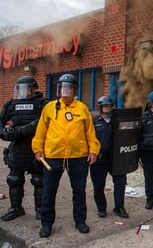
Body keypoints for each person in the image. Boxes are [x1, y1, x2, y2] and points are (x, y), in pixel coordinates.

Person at [32, 74, 101, 238]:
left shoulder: (82, 108)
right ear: (59, 89)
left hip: (78, 157)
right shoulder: (49, 108)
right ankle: (46, 224)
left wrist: (93, 150)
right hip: (53, 156)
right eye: (63, 87)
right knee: (48, 191)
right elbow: (41, 131)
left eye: (69, 87)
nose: (65, 90)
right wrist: (37, 148)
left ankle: (80, 221)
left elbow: (90, 132)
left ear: (74, 90)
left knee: (79, 191)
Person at [0, 76, 48, 221]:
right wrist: (4, 133)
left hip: (36, 147)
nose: (23, 91)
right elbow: (0, 121)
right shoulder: (11, 104)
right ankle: (16, 208)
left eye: (26, 88)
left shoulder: (43, 104)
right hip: (17, 148)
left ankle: (40, 210)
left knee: (39, 180)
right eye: (20, 89)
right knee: (14, 179)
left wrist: (23, 130)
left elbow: (47, 120)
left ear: (33, 89)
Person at [90, 96, 128, 219]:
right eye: (105, 106)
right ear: (100, 107)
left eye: (109, 106)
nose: (108, 108)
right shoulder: (94, 123)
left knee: (120, 183)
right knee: (98, 185)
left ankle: (119, 207)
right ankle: (101, 208)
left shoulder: (118, 122)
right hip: (100, 158)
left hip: (116, 158)